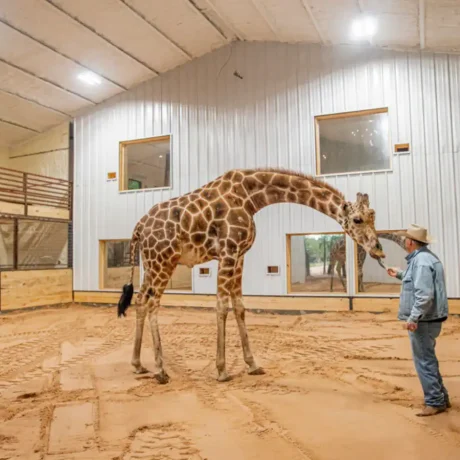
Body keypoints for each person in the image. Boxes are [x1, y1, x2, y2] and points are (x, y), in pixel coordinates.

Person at [386, 224, 449, 416]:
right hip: (430, 318)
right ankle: (441, 398)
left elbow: (424, 295)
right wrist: (399, 274)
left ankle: (434, 402)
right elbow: (417, 280)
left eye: (406, 239)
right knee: (428, 358)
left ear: (411, 242)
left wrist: (413, 318)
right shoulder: (426, 258)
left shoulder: (421, 261)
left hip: (424, 320)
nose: (405, 241)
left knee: (424, 361)